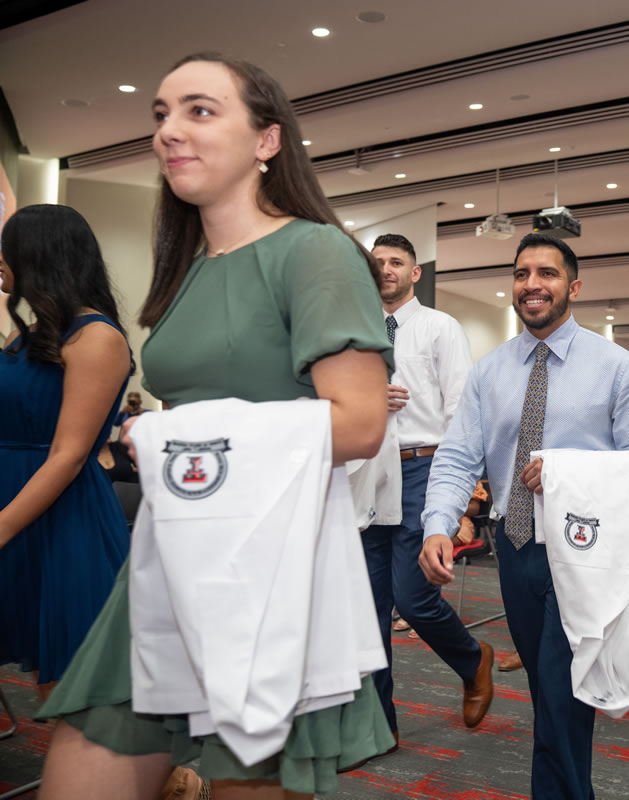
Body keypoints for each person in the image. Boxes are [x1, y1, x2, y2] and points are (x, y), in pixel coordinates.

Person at [37, 53, 396, 799]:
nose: (170, 130)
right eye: (161, 114)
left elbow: (360, 423)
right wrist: (166, 437)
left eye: (199, 111)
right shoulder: (191, 267)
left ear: (267, 141)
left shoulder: (315, 252)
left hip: (271, 569)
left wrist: (184, 443)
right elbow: (210, 409)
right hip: (173, 556)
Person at [418, 233, 629, 799]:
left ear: (573, 287)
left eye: (548, 273)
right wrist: (438, 524)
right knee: (550, 690)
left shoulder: (615, 366)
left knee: (559, 694)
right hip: (515, 550)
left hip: (584, 550)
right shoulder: (490, 372)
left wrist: (567, 470)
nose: (532, 284)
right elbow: (459, 455)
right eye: (522, 273)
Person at [359, 231, 494, 738]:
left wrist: (463, 497)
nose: (387, 270)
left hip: (423, 466)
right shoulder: (354, 331)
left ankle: (472, 658)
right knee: (369, 605)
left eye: (397, 262)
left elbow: (463, 412)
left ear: (415, 273)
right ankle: (379, 728)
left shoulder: (440, 327)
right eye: (378, 263)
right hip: (366, 469)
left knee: (413, 600)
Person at [0, 204, 133, 705]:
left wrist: (4, 526)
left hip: (60, 518)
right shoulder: (25, 337)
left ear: (36, 255)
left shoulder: (96, 338)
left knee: (70, 689)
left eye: (6, 246)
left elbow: (69, 455)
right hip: (14, 502)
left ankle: (175, 785)